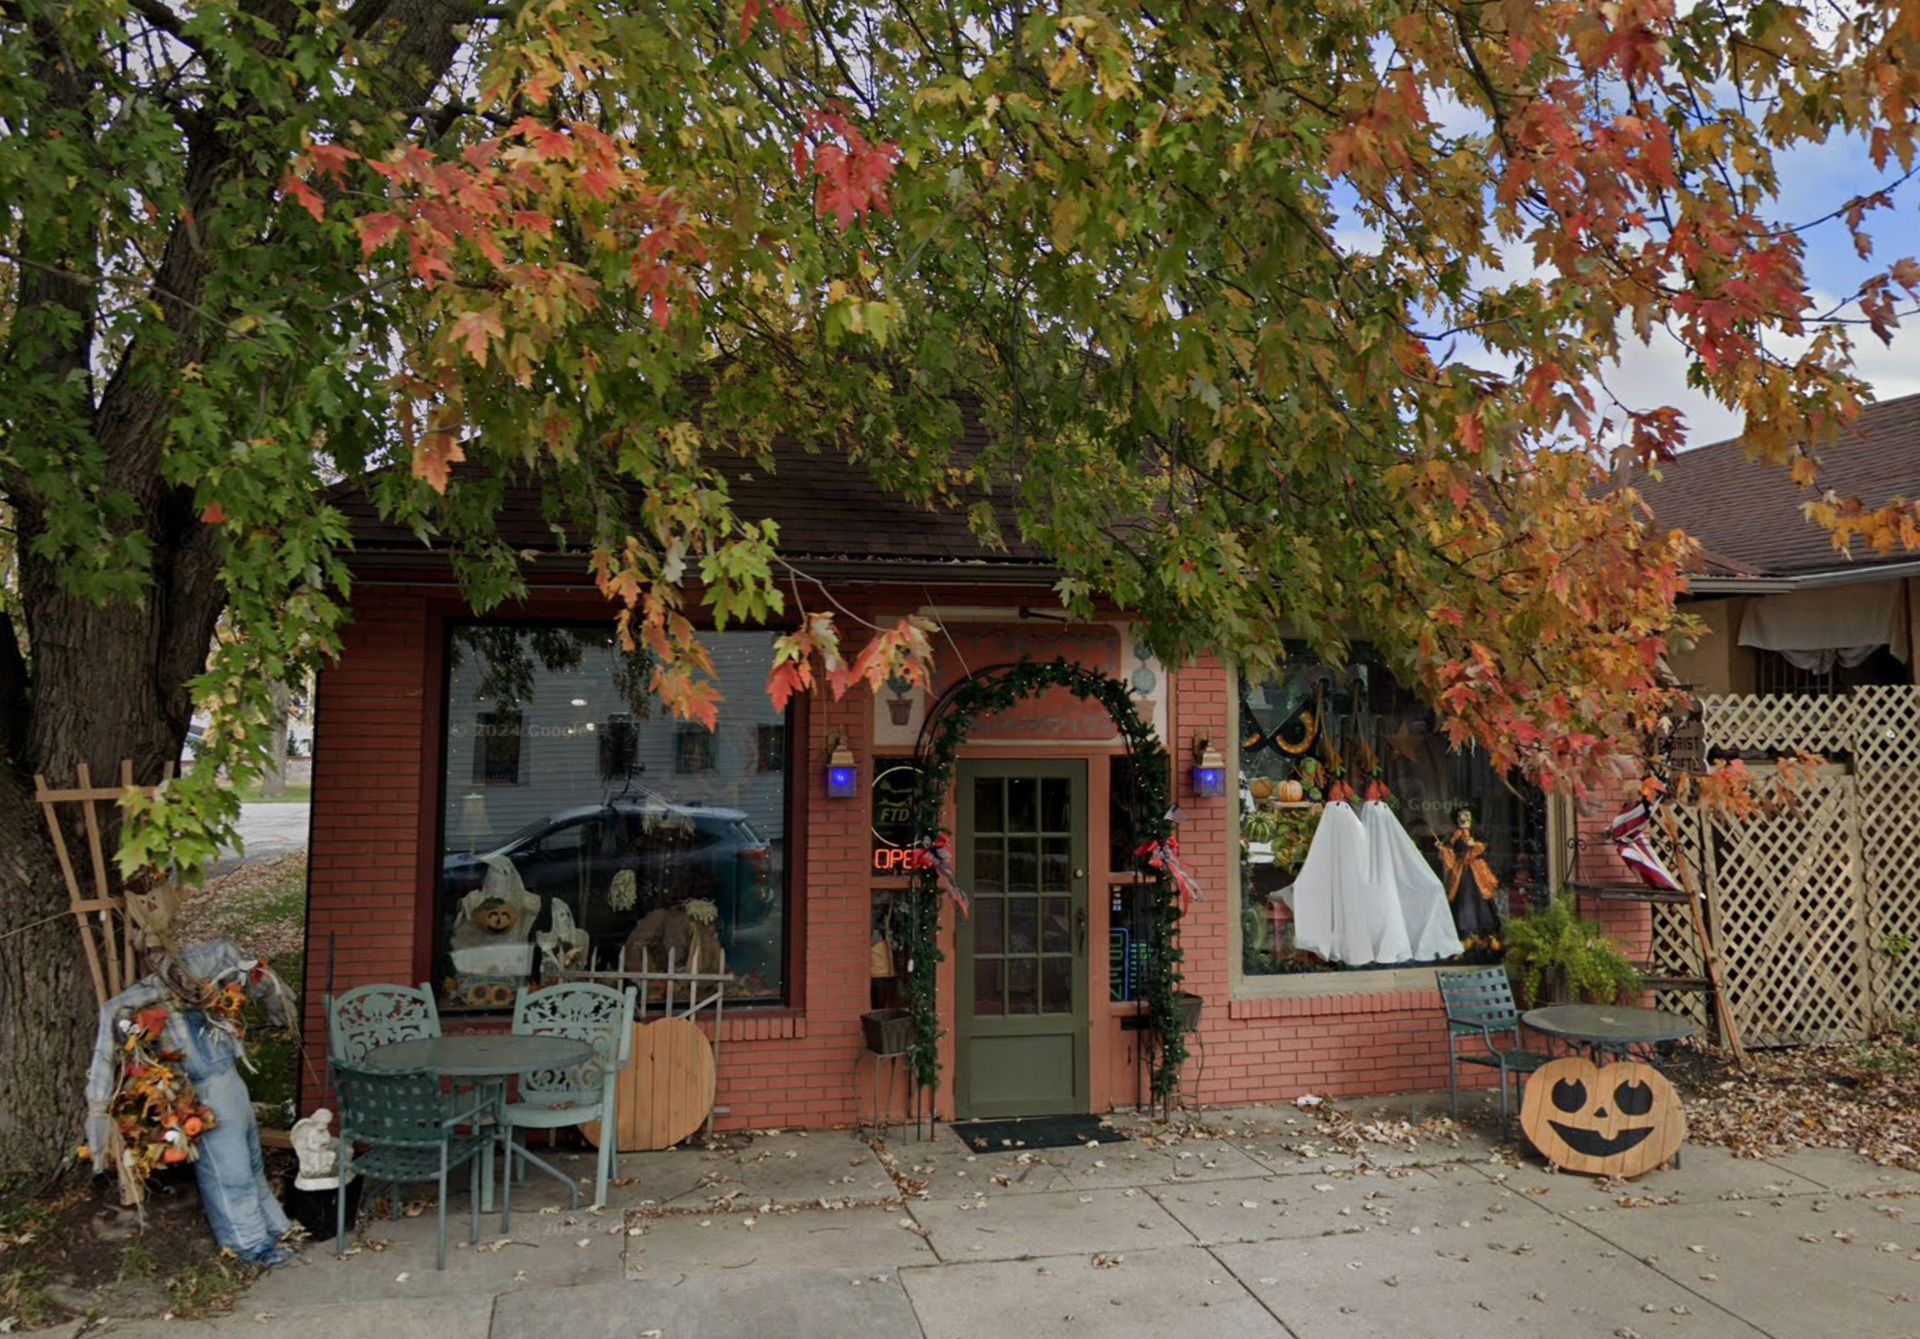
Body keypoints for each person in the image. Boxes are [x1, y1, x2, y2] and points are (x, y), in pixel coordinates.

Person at [1436, 808, 1502, 940]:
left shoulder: (1477, 833)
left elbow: (1486, 847)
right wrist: (1443, 849)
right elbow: (1450, 856)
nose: (1463, 819)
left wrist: (1475, 845)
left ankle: (1484, 931)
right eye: (1460, 816)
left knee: (1480, 897)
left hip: (1476, 869)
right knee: (1462, 896)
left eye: (1466, 815)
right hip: (1460, 870)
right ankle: (1464, 929)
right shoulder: (1454, 835)